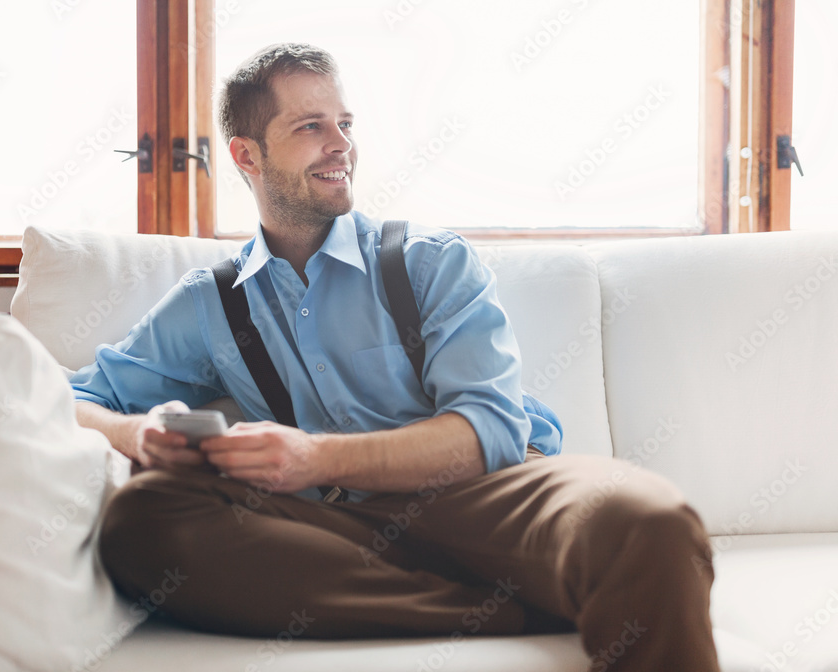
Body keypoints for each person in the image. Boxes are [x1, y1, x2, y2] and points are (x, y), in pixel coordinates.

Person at [70, 43, 720, 671]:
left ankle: (509, 588)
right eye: (310, 126)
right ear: (248, 154)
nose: (342, 145)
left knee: (646, 519)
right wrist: (137, 433)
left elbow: (490, 432)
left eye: (346, 123)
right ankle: (497, 610)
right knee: (142, 518)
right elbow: (69, 401)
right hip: (333, 526)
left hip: (487, 497)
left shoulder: (427, 262)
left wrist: (311, 456)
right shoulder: (211, 303)